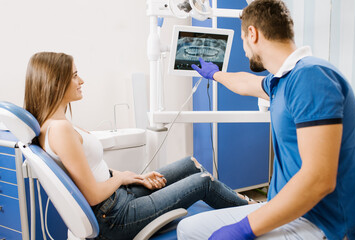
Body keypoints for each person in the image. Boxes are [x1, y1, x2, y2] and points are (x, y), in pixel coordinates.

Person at [177, 0, 355, 239]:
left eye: (243, 39)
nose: (244, 50)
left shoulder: (311, 77)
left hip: (320, 223)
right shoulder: (283, 80)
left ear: (252, 34)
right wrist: (215, 74)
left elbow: (319, 179)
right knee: (188, 229)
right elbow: (246, 83)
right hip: (286, 208)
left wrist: (243, 229)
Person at [22, 51, 252, 240]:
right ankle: (255, 212)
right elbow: (92, 195)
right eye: (74, 76)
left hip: (117, 198)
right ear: (55, 83)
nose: (81, 81)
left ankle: (243, 205)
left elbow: (91, 171)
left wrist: (127, 176)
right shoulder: (59, 129)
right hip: (114, 217)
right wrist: (121, 179)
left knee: (190, 164)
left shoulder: (54, 124)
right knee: (204, 183)